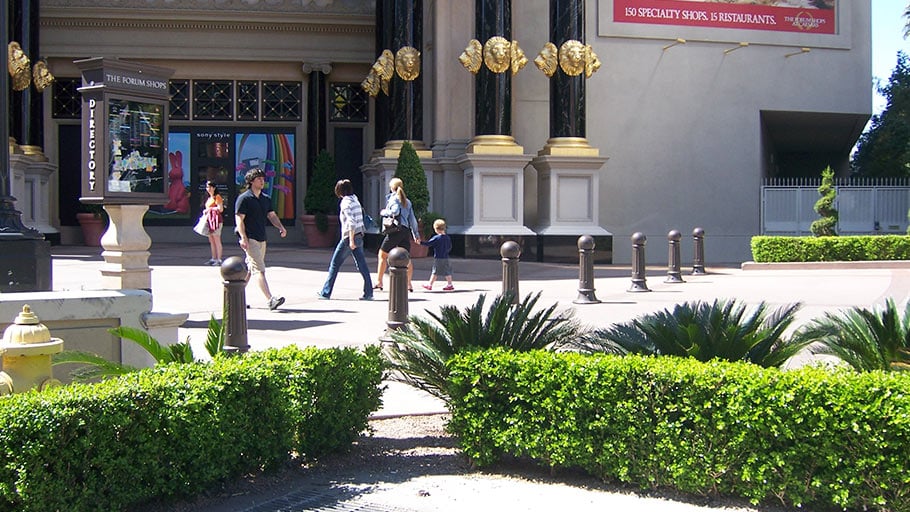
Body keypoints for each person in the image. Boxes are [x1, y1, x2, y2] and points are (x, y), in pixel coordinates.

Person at [235, 168, 288, 310]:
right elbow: (239, 220)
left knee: (250, 270)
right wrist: (243, 238)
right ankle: (270, 300)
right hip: (250, 238)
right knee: (260, 270)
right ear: (251, 181)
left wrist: (281, 227)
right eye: (259, 179)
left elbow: (272, 215)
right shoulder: (244, 198)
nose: (262, 181)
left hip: (261, 238)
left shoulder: (265, 199)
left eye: (263, 179)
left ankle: (235, 298)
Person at [318, 179, 374, 300]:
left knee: (334, 264)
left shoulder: (345, 203)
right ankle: (369, 293)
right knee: (362, 265)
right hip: (359, 235)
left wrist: (351, 241)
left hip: (349, 238)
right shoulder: (355, 199)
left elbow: (351, 222)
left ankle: (326, 292)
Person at [375, 177, 419, 292]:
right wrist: (416, 234)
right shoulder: (407, 201)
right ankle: (408, 284)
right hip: (405, 230)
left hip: (394, 231)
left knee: (382, 255)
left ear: (391, 187)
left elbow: (395, 212)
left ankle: (379, 281)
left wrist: (384, 212)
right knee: (406, 257)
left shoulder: (394, 199)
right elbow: (412, 219)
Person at [420, 218, 454, 291]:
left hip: (438, 257)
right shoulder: (447, 237)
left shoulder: (436, 238)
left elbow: (428, 244)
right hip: (446, 257)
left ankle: (430, 285)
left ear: (436, 229)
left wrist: (420, 242)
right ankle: (450, 284)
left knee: (435, 271)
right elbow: (449, 247)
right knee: (447, 271)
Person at [203, 180, 224, 266]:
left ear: (214, 188)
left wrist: (209, 209)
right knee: (211, 240)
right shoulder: (209, 198)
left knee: (216, 239)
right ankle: (213, 258)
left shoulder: (217, 197)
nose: (208, 189)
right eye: (207, 187)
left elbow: (220, 209)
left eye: (210, 187)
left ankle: (219, 259)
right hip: (209, 220)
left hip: (216, 221)